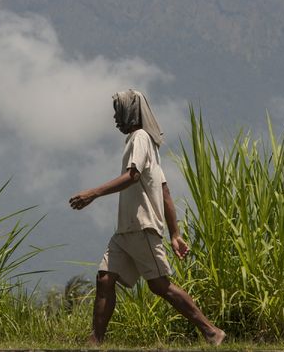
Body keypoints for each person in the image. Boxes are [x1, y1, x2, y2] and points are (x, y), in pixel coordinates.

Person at [69, 89, 225, 346]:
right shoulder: (143, 143)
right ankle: (94, 341)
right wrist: (175, 234)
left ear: (131, 112)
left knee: (160, 285)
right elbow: (164, 191)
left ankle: (210, 331)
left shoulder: (140, 138)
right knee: (105, 278)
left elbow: (133, 176)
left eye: (118, 111)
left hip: (142, 226)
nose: (115, 118)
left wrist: (92, 193)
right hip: (125, 230)